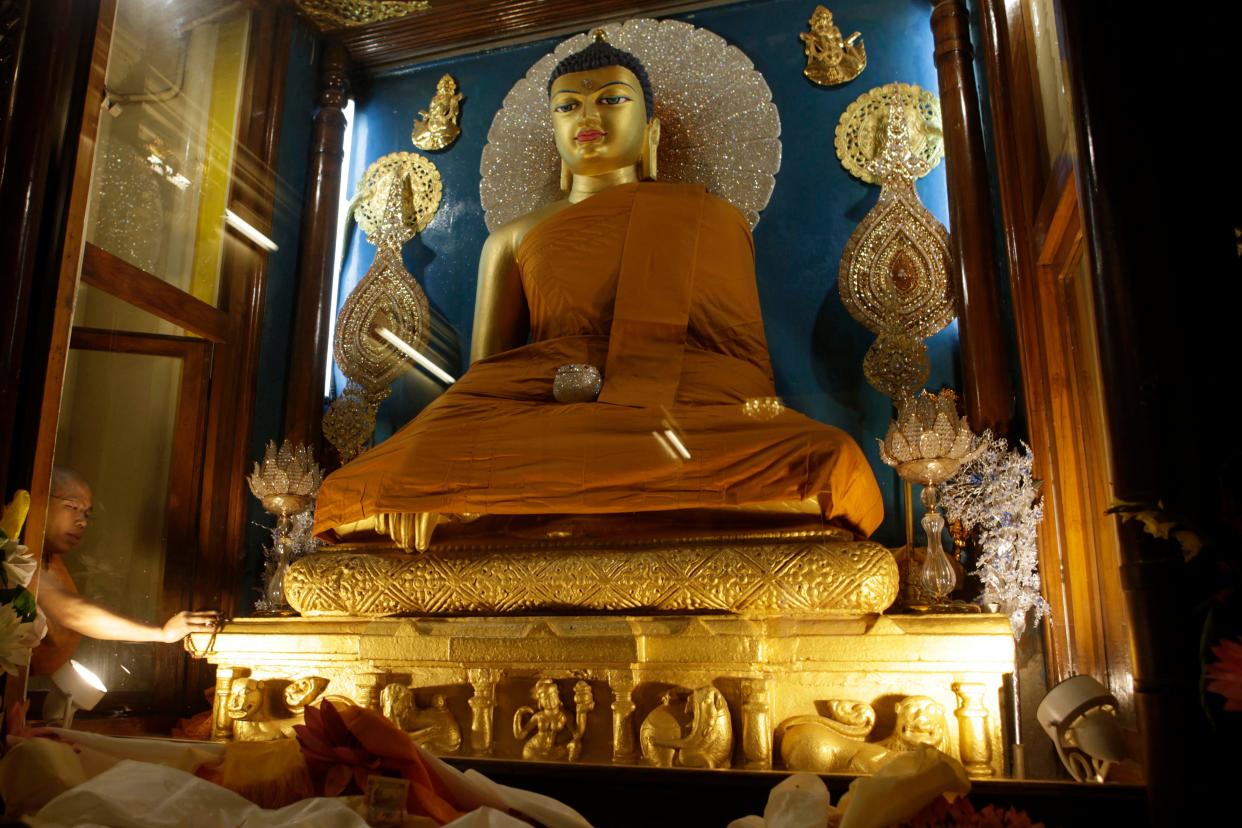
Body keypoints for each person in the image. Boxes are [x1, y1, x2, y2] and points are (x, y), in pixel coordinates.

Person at [313, 33, 883, 550]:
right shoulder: (511, 239)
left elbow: (739, 365)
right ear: (552, 130)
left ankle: (503, 511)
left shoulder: (707, 217)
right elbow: (484, 386)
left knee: (825, 461)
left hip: (680, 419)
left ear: (652, 130)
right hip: (544, 424)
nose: (589, 114)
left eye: (611, 99)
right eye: (568, 105)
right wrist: (433, 464)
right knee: (382, 478)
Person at [30, 467, 220, 676]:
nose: (82, 521)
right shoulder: (23, 556)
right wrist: (161, 633)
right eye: (72, 506)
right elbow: (72, 613)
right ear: (40, 499)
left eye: (87, 513)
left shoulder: (50, 560)